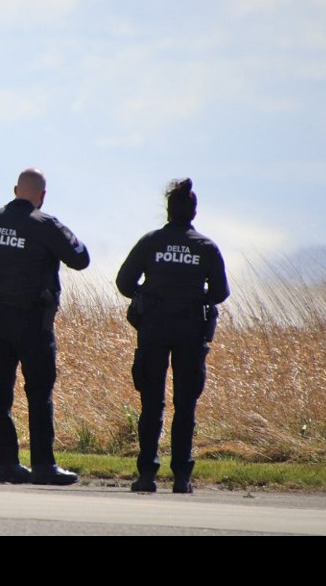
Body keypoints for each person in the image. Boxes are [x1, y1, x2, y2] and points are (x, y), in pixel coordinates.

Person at [0, 168, 90, 485]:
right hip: (33, 322)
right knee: (39, 392)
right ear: (42, 196)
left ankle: (6, 466)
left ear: (16, 189)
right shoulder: (46, 224)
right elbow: (80, 258)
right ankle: (44, 467)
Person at [117, 178, 229, 494]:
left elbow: (124, 282)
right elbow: (220, 292)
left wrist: (147, 293)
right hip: (191, 332)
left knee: (151, 404)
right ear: (193, 212)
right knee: (185, 406)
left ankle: (147, 475)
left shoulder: (151, 242)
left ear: (168, 210)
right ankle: (182, 477)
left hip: (153, 330)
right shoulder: (205, 248)